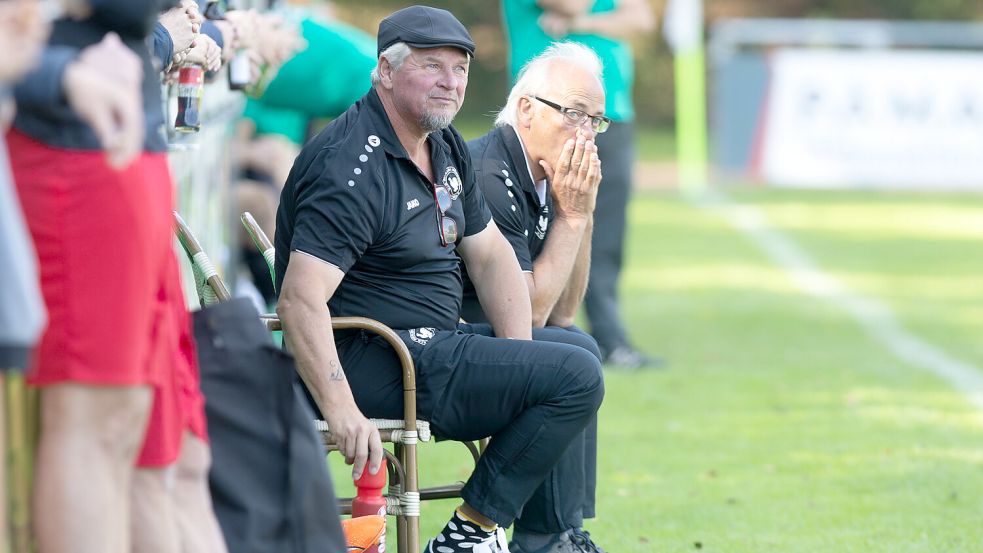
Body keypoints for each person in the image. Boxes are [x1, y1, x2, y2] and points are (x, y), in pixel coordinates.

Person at [274, 6, 603, 553]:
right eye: (432, 67)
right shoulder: (351, 166)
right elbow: (300, 300)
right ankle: (470, 535)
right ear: (385, 69)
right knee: (575, 374)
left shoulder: (441, 145)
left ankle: (543, 542)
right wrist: (340, 409)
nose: (450, 83)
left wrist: (515, 364)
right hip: (379, 359)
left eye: (461, 69)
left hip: (429, 346)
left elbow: (492, 255)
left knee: (572, 346)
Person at [8, 2, 225, 551]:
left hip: (129, 152)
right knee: (93, 422)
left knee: (133, 425)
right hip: (68, 152)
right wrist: (59, 74)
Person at [461, 41, 608, 553]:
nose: (586, 133)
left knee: (575, 343)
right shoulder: (489, 171)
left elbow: (564, 311)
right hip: (446, 344)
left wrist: (581, 214)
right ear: (526, 109)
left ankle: (558, 533)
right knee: (571, 356)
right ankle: (543, 540)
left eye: (595, 120)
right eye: (573, 114)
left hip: (493, 333)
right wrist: (571, 216)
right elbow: (533, 314)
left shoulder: (543, 174)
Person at [501, 0, 656, 369]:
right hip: (552, 115)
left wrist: (582, 22)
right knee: (543, 226)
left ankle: (608, 337)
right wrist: (596, 16)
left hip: (611, 114)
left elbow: (642, 18)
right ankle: (537, 333)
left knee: (604, 235)